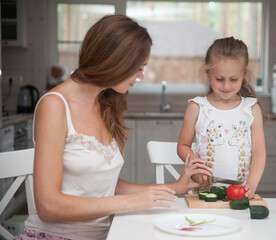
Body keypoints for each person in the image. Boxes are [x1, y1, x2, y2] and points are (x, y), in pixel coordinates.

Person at [15, 14, 210, 240]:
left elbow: (103, 186)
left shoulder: (105, 102)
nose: (141, 76)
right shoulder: (55, 106)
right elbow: (48, 206)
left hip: (107, 234)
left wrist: (173, 188)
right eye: (138, 68)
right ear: (115, 61)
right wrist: (130, 203)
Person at [177, 37, 266, 199]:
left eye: (234, 79)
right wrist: (196, 166)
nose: (226, 86)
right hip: (204, 193)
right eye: (219, 79)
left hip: (240, 193)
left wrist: (251, 185)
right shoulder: (197, 107)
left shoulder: (251, 109)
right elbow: (183, 146)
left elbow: (259, 152)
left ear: (243, 74)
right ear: (208, 73)